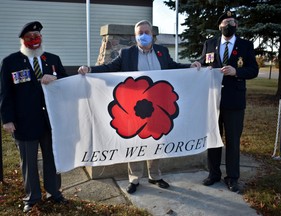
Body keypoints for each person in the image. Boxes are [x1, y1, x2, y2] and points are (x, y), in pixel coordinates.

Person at [78, 20, 201, 194]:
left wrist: (190, 66)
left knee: (157, 139)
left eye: (146, 32)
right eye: (139, 33)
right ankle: (134, 178)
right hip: (134, 107)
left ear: (152, 34)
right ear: (135, 36)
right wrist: (90, 69)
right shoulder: (127, 53)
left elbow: (172, 67)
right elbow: (109, 67)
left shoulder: (162, 52)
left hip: (158, 105)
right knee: (136, 141)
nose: (143, 35)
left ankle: (155, 175)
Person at [0, 21, 68, 213]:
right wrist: (7, 119)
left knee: (52, 158)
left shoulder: (53, 59)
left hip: (50, 120)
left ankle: (54, 192)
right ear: (23, 40)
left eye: (37, 37)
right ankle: (32, 197)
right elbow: (5, 93)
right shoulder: (10, 62)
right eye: (30, 37)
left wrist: (55, 78)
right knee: (29, 161)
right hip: (24, 122)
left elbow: (66, 83)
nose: (34, 41)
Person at [199, 11, 259, 192]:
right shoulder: (210, 44)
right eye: (225, 22)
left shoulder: (245, 45)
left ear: (236, 26)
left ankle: (232, 177)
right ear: (219, 26)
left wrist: (236, 72)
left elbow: (253, 70)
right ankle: (213, 174)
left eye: (232, 22)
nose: (228, 25)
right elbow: (202, 63)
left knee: (233, 140)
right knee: (214, 139)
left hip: (234, 102)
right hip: (213, 100)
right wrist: (197, 64)